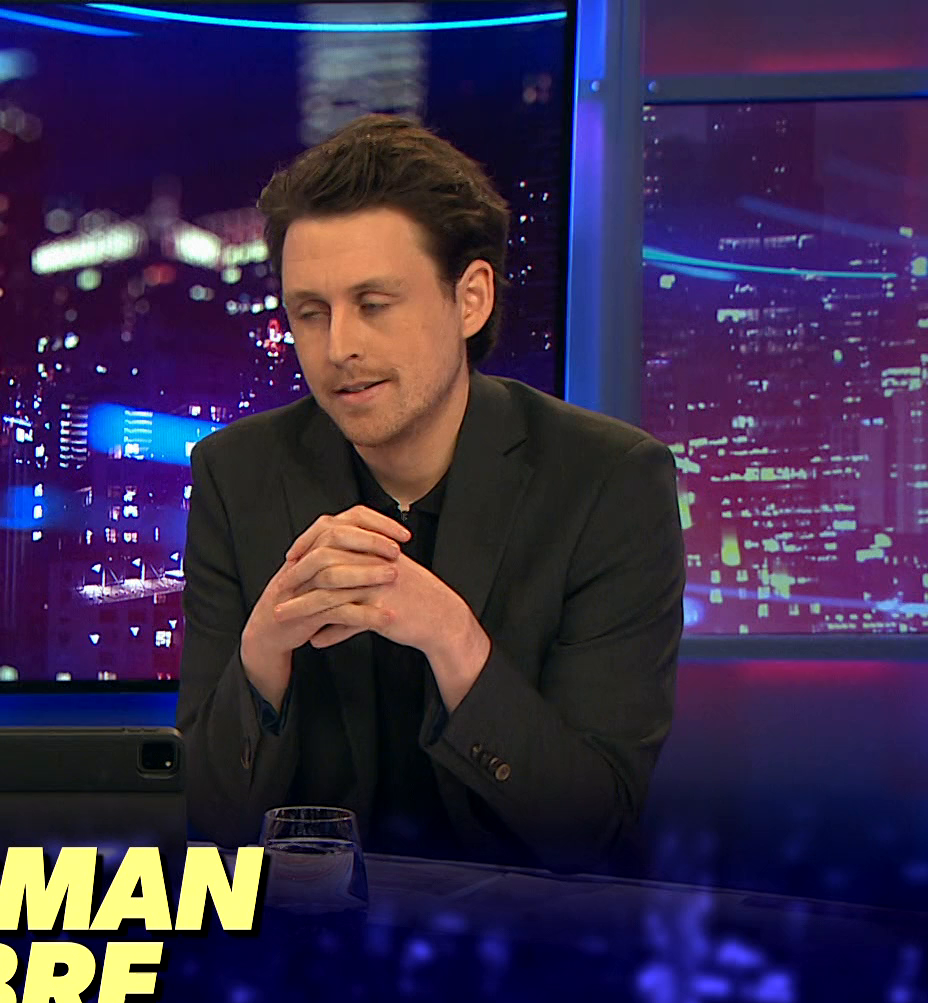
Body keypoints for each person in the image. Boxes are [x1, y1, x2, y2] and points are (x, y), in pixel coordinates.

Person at [178, 114, 685, 874]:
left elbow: (594, 831)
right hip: (309, 926)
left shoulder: (607, 482)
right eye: (310, 313)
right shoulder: (236, 473)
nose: (338, 347)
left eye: (374, 304)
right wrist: (262, 655)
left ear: (470, 298)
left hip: (519, 928)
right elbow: (207, 820)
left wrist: (454, 640)